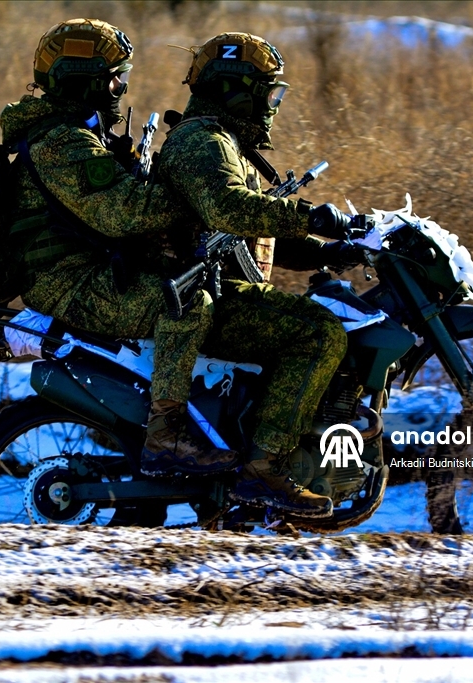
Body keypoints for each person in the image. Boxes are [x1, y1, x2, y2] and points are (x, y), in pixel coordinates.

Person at [4, 18, 237, 476]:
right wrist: (196, 198)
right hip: (69, 284)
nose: (120, 87)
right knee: (186, 302)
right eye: (115, 77)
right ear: (83, 78)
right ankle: (167, 434)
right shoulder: (62, 141)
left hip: (83, 271)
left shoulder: (78, 131)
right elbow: (124, 213)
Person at [157, 32, 372, 519]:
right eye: (269, 92)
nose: (274, 104)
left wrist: (332, 251)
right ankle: (264, 468)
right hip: (208, 296)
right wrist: (309, 215)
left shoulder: (226, 143)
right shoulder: (200, 141)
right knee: (319, 333)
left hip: (224, 289)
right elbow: (230, 208)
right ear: (236, 89)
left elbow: (259, 231)